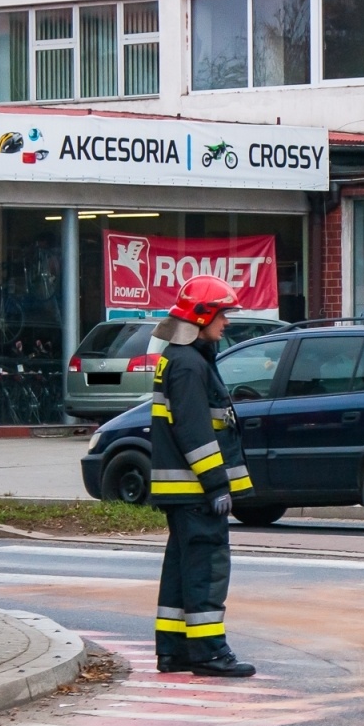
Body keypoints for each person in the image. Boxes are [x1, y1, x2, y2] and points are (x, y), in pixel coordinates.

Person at [150, 275, 257, 677]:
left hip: (184, 491)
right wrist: (216, 485)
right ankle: (210, 653)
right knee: (206, 571)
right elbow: (195, 432)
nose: (226, 322)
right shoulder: (189, 365)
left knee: (182, 569)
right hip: (196, 490)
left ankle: (175, 650)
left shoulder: (182, 359)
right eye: (222, 314)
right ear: (201, 316)